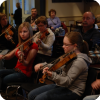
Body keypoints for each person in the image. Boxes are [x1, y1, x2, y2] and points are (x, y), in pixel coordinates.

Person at [28, 31, 92, 100]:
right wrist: (42, 65)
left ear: (75, 46)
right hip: (62, 85)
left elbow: (67, 81)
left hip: (72, 91)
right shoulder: (70, 55)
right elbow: (58, 66)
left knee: (39, 98)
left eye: (66, 44)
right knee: (31, 95)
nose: (63, 46)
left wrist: (52, 75)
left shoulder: (79, 61)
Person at [0, 22, 38, 90]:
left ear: (30, 32)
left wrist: (22, 59)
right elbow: (9, 56)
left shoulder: (33, 46)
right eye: (20, 32)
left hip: (24, 73)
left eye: (25, 31)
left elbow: (26, 63)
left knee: (5, 79)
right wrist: (2, 56)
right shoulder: (20, 44)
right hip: (16, 70)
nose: (22, 34)